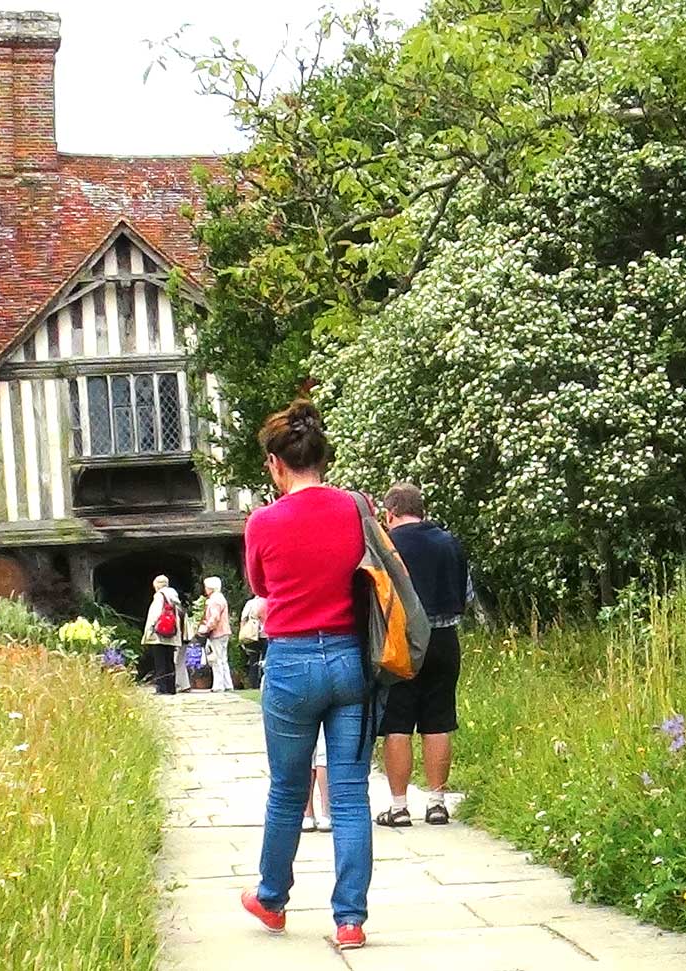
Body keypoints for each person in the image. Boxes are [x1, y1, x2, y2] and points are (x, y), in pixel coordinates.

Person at [235, 400, 372, 951]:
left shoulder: (263, 522)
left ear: (275, 464)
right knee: (350, 795)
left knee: (287, 790)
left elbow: (263, 588)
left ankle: (272, 900)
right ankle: (350, 919)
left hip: (290, 661)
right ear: (322, 458)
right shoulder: (356, 509)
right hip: (348, 659)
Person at [374, 482, 470, 828]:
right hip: (445, 638)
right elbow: (465, 593)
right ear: (422, 510)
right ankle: (437, 802)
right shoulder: (450, 542)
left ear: (390, 513)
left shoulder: (387, 546)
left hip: (403, 642)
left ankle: (399, 807)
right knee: (439, 720)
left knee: (397, 722)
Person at [141, 575, 183, 696]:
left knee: (160, 661)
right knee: (169, 660)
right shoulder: (174, 597)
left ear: (157, 585)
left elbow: (155, 614)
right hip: (172, 633)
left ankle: (162, 688)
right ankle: (171, 687)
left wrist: (149, 630)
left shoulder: (159, 596)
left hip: (159, 634)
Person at [194, 577, 234, 692]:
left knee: (215, 659)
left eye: (206, 587)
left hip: (217, 633)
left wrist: (206, 628)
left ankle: (218, 685)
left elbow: (214, 617)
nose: (205, 589)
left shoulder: (214, 600)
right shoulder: (221, 598)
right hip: (224, 631)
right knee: (223, 658)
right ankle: (227, 684)